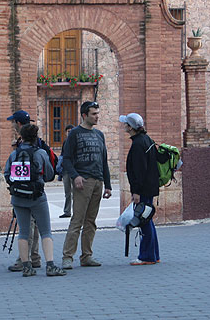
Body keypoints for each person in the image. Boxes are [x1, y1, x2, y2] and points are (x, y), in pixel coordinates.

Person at [4, 124, 66, 277]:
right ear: (36, 137)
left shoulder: (14, 154)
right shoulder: (40, 153)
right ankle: (50, 265)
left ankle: (26, 266)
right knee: (46, 231)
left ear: (22, 137)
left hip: (18, 197)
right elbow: (50, 174)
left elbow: (7, 174)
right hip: (37, 197)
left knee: (23, 232)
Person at [61, 101, 112, 269]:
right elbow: (66, 159)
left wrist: (108, 185)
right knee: (77, 220)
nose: (97, 116)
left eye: (98, 113)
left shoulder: (99, 135)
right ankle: (68, 257)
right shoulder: (75, 133)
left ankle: (87, 256)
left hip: (98, 181)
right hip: (83, 182)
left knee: (91, 222)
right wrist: (75, 176)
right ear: (84, 115)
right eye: (93, 114)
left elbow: (103, 160)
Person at [5, 109, 51, 272]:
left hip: (21, 194)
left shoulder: (18, 149)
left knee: (26, 229)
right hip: (37, 193)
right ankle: (37, 258)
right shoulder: (40, 147)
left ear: (18, 124)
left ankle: (25, 261)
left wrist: (14, 186)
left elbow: (8, 173)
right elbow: (49, 173)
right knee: (40, 227)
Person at [119, 113, 160, 265]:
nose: (124, 127)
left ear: (131, 127)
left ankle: (147, 256)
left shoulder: (137, 144)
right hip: (150, 187)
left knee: (144, 221)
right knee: (147, 220)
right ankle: (154, 254)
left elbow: (139, 170)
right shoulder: (146, 140)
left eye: (126, 124)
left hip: (143, 189)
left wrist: (136, 191)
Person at [58, 124, 75, 218]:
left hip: (74, 170)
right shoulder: (65, 142)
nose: (70, 133)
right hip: (66, 171)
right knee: (67, 192)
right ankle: (67, 211)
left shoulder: (76, 142)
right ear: (65, 133)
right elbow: (62, 155)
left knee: (76, 193)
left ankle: (77, 211)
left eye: (71, 131)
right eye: (68, 131)